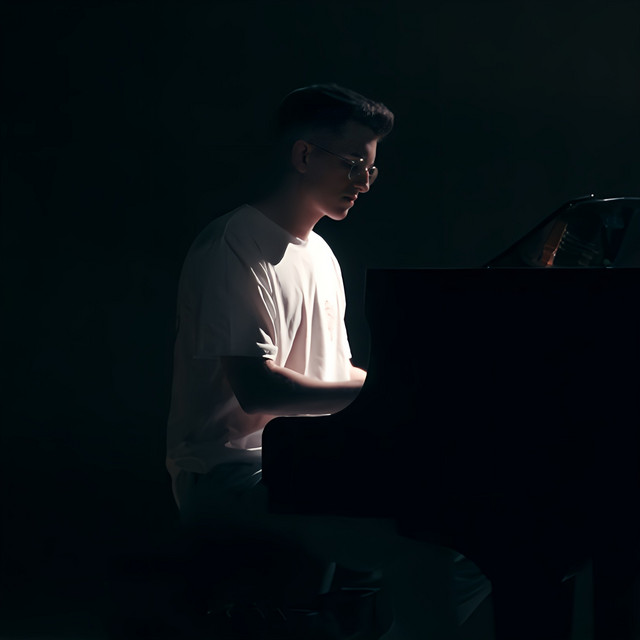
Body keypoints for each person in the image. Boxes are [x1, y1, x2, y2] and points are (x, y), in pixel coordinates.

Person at [166, 83, 491, 639]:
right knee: (428, 544)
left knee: (479, 529)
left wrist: (427, 387)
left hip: (307, 464)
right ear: (303, 155)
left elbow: (338, 378)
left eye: (371, 170)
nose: (364, 182)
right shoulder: (232, 244)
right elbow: (260, 390)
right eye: (353, 164)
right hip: (230, 478)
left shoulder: (320, 254)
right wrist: (391, 392)